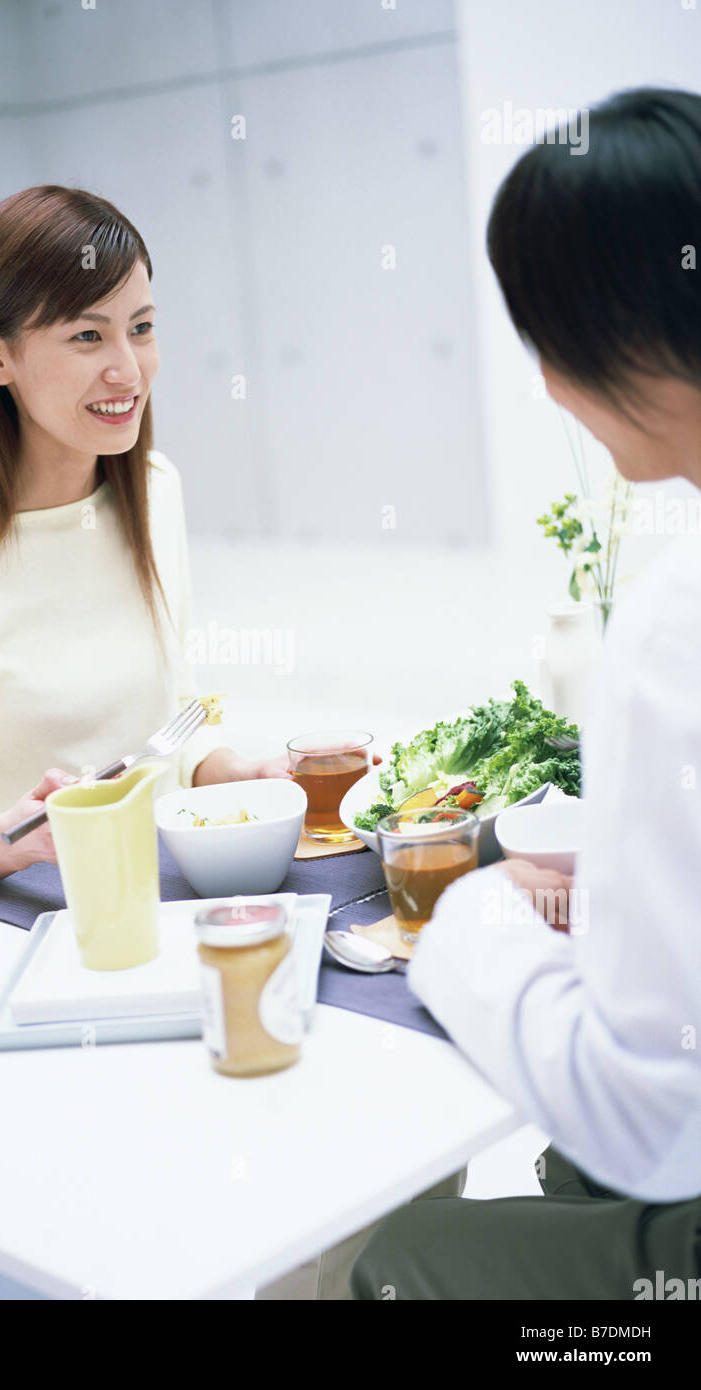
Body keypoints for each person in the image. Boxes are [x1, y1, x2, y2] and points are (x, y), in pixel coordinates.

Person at [352, 87, 701, 1300]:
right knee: (570, 1170)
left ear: (597, 344)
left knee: (399, 1260)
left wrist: (477, 921)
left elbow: (648, 1117)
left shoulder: (676, 624)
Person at [0, 186, 287, 907]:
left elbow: (172, 731)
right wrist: (10, 838)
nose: (127, 368)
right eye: (87, 337)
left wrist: (234, 772)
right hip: (31, 925)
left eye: (142, 328)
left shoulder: (154, 491)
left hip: (167, 895)